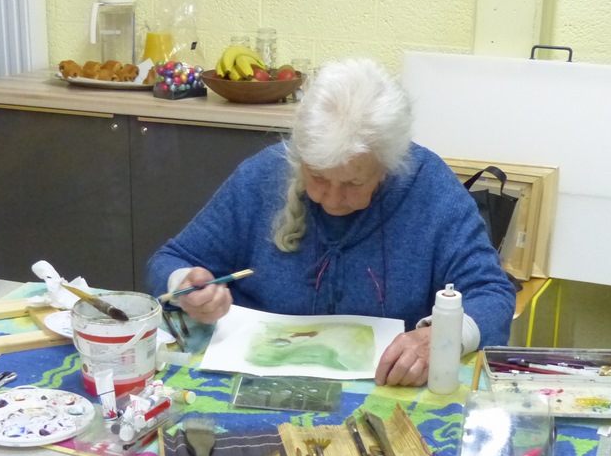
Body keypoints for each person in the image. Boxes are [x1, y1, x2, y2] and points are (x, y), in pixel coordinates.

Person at [147, 57, 516, 387]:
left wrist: (440, 339)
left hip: (387, 393)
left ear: (388, 167)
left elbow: (492, 294)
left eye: (353, 183)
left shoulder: (429, 187)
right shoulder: (262, 175)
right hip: (253, 385)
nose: (332, 200)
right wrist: (185, 286)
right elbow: (170, 260)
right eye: (318, 177)